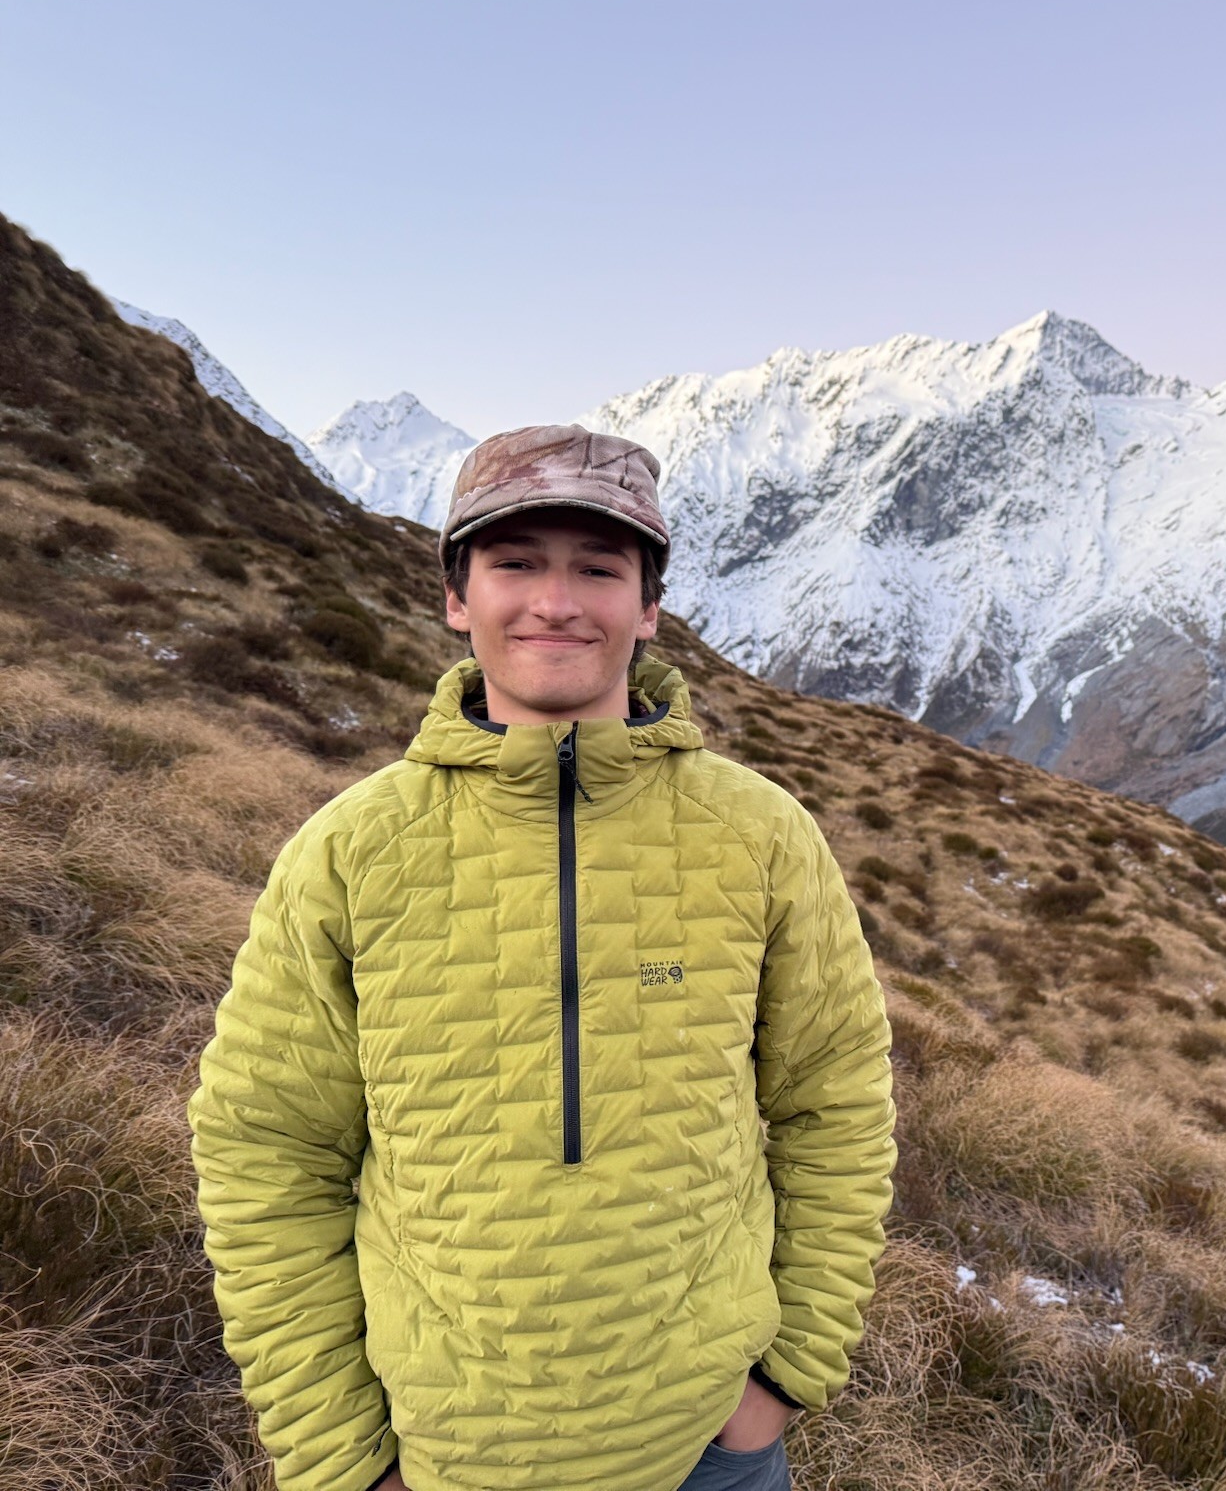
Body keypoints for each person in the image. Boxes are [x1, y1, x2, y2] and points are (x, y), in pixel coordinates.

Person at [189, 424, 895, 1491]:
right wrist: (340, 1455)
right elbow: (265, 1155)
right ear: (457, 597)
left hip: (709, 1449)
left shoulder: (759, 835)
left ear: (647, 607)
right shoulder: (349, 851)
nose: (556, 603)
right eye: (515, 563)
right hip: (444, 1457)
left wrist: (786, 1375)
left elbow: (834, 1103)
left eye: (598, 569)